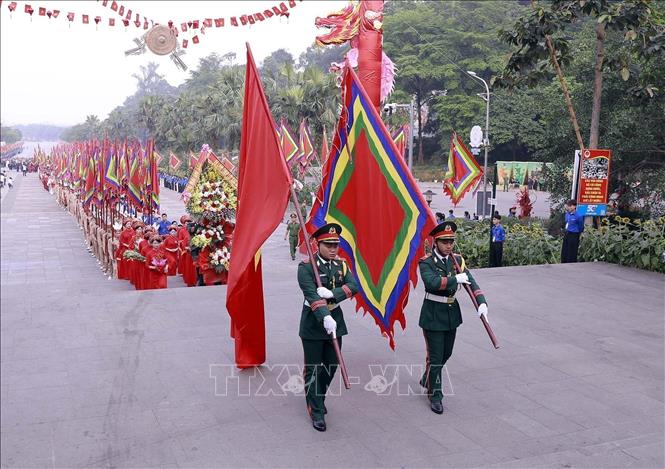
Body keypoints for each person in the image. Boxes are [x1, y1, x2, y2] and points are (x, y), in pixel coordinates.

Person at [418, 221, 488, 414]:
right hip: (433, 314)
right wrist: (454, 279)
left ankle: (427, 378)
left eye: (451, 241)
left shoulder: (456, 260)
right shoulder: (426, 262)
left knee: (446, 353)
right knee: (436, 358)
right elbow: (431, 282)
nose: (449, 245)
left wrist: (482, 302)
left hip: (451, 314)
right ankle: (436, 395)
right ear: (436, 242)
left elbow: (471, 282)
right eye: (445, 241)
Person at [297, 223, 358, 432]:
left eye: (336, 245)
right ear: (318, 244)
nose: (333, 249)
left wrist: (333, 294)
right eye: (329, 245)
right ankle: (316, 409)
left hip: (336, 320)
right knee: (313, 368)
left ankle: (317, 396)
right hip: (314, 323)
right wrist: (324, 316)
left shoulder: (341, 265)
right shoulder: (306, 267)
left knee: (332, 365)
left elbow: (353, 286)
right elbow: (311, 295)